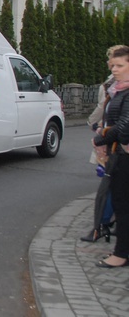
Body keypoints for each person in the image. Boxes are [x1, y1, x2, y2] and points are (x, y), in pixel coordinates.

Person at [93, 45, 129, 268]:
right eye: (112, 66)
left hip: (124, 157)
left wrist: (101, 137)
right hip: (119, 154)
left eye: (120, 65)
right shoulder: (119, 90)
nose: (114, 70)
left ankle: (121, 253)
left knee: (122, 205)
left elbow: (125, 127)